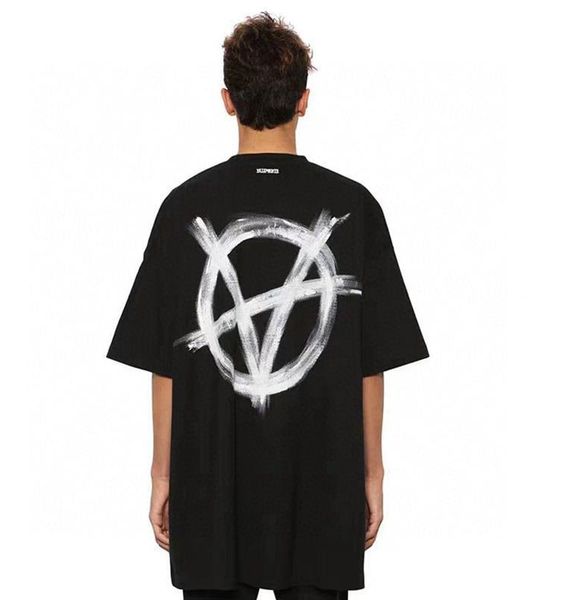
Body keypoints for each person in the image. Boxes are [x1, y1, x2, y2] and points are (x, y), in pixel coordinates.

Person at [107, 11, 428, 600]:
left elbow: (165, 363)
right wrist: (373, 473)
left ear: (227, 100)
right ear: (304, 100)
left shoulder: (182, 209)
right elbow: (371, 363)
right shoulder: (355, 207)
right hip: (323, 488)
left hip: (211, 489)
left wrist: (161, 474)